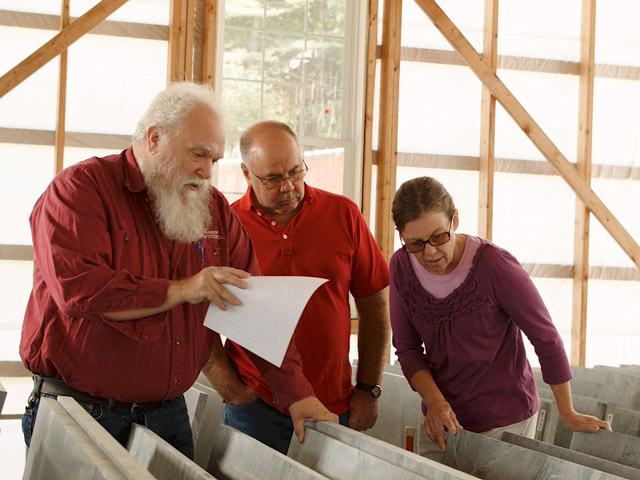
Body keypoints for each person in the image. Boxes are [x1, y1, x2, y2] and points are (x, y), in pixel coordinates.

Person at [20, 83, 336, 458]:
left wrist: (297, 394)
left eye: (215, 160)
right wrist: (184, 290)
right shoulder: (80, 190)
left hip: (167, 415)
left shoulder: (215, 210)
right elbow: (81, 291)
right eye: (198, 154)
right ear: (154, 138)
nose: (206, 171)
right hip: (80, 412)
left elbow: (254, 309)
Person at [389, 176, 611, 459]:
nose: (430, 252)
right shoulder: (400, 267)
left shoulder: (494, 265)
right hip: (440, 417)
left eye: (438, 237)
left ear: (455, 220)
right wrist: (435, 403)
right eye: (416, 243)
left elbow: (545, 338)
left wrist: (567, 413)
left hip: (506, 419)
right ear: (401, 236)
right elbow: (407, 350)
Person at [202, 120, 390, 454]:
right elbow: (199, 318)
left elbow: (375, 306)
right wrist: (232, 390)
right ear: (246, 174)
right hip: (257, 406)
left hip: (335, 405)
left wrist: (368, 389)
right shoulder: (226, 227)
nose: (288, 186)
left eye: (296, 171)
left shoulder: (344, 214)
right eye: (273, 178)